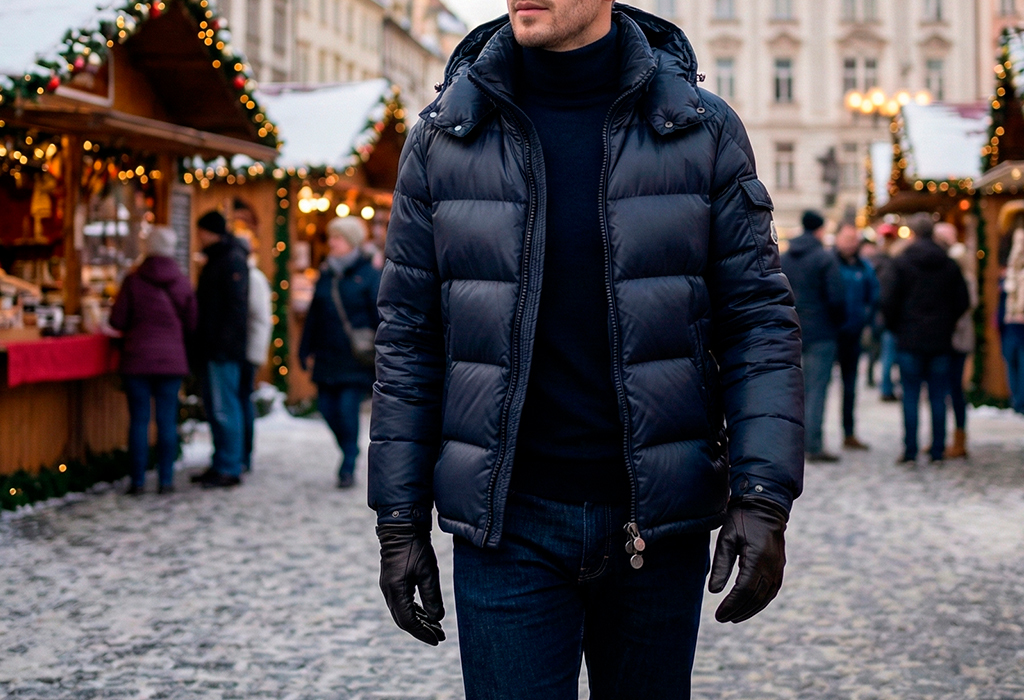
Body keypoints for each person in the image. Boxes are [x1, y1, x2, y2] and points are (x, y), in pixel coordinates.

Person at [368, 3, 804, 698]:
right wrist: (398, 518)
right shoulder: (447, 135)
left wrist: (763, 496)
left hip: (655, 522)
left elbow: (757, 324)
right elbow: (410, 341)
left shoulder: (700, 127)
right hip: (507, 524)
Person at [109, 225, 197, 495]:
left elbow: (117, 320)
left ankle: (137, 481)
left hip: (137, 360)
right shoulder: (182, 282)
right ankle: (166, 480)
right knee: (167, 421)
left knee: (139, 421)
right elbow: (192, 324)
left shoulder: (133, 281)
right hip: (171, 362)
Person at [881, 213, 969, 464]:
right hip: (940, 339)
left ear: (914, 233)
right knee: (937, 395)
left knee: (910, 395)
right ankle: (938, 449)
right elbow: (962, 301)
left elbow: (888, 300)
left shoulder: (901, 263)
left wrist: (896, 327)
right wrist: (947, 323)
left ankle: (910, 450)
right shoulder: (949, 264)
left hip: (909, 338)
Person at [299, 217, 380, 489]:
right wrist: (304, 348)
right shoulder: (327, 273)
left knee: (346, 411)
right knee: (326, 409)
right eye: (331, 237)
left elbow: (379, 317)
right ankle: (347, 449)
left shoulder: (369, 275)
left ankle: (348, 462)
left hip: (354, 358)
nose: (332, 242)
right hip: (326, 356)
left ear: (352, 242)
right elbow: (314, 315)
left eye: (338, 238)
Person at [782, 210, 846, 462]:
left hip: (791, 330)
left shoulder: (785, 258)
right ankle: (814, 445)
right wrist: (837, 324)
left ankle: (791, 445)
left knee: (792, 391)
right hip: (821, 332)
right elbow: (837, 298)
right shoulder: (824, 258)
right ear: (820, 230)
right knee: (817, 389)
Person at [192, 211, 249, 488]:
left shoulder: (228, 260)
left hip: (222, 349)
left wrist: (222, 344)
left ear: (208, 231)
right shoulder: (222, 258)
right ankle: (222, 462)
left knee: (224, 407)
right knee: (217, 408)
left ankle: (229, 465)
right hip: (215, 346)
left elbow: (235, 309)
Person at [833, 222, 879, 450]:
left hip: (853, 334)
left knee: (850, 387)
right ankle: (812, 437)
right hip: (829, 334)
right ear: (837, 239)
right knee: (816, 387)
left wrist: (867, 318)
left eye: (854, 239)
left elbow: (874, 295)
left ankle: (849, 432)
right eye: (847, 238)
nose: (851, 244)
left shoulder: (864, 266)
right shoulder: (828, 263)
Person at [934, 222, 977, 458]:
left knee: (954, 390)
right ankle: (950, 438)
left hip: (956, 340)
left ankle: (959, 438)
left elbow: (965, 307)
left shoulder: (962, 276)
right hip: (951, 338)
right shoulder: (957, 272)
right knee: (947, 390)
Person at [240, 235, 273, 472]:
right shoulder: (249, 277)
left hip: (246, 352)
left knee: (242, 401)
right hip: (243, 350)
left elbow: (260, 320)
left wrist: (254, 353)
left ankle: (245, 453)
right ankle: (243, 452)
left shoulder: (253, 279)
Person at [867, 223, 900, 400]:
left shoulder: (874, 261)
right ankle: (886, 387)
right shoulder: (888, 263)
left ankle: (875, 379)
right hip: (885, 313)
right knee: (887, 352)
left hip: (877, 313)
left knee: (878, 349)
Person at [1000, 203, 1024, 414]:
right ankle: (1018, 400)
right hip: (1014, 311)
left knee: (1013, 356)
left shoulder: (1013, 237)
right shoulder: (1013, 238)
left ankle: (1018, 400)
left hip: (1015, 313)